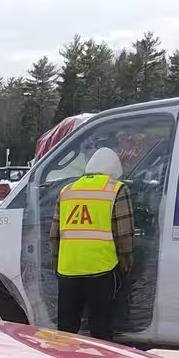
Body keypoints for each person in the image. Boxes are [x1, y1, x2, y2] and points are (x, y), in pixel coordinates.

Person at [49, 147, 134, 342]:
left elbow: (54, 236)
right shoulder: (117, 189)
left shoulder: (67, 191)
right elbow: (124, 235)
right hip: (102, 269)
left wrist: (56, 265)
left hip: (68, 270)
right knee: (100, 328)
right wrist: (126, 265)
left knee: (66, 330)